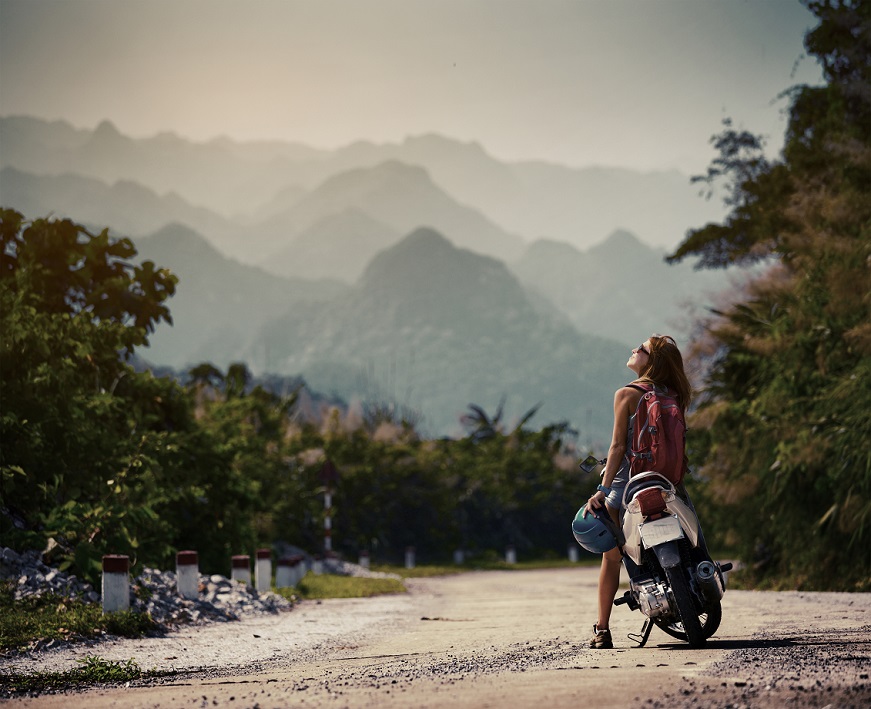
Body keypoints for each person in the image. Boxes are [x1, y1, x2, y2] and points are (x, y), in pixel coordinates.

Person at [581, 334, 692, 649]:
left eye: (641, 348)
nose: (634, 349)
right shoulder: (674, 394)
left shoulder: (626, 394)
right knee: (694, 535)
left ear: (651, 360)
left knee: (611, 558)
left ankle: (602, 629)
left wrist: (602, 490)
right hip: (667, 483)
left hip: (627, 486)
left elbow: (617, 446)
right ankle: (701, 570)